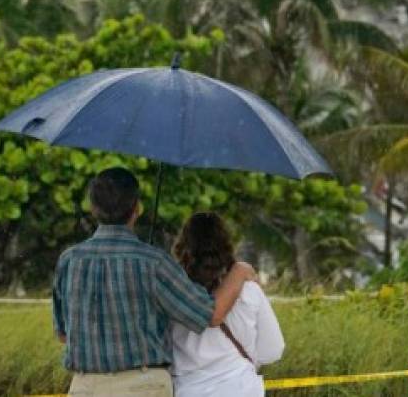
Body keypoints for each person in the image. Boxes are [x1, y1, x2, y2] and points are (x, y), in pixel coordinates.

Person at [52, 167, 256, 397]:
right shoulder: (154, 263)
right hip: (143, 386)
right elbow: (211, 314)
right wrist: (239, 271)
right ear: (136, 209)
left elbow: (63, 334)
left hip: (84, 387)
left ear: (92, 208)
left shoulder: (69, 261)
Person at [171, 212, 285, 397]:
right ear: (226, 247)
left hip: (189, 391)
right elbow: (273, 350)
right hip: (241, 389)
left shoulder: (172, 293)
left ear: (183, 248)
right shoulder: (249, 291)